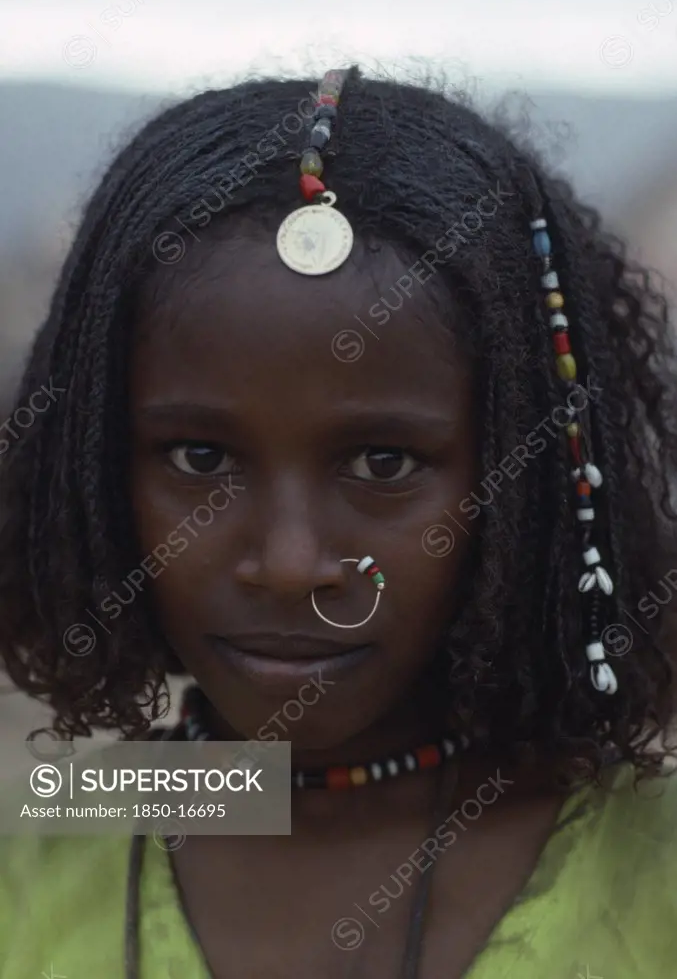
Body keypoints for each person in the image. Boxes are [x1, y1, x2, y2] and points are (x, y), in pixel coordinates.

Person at [0, 66, 675, 979]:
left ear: (526, 487)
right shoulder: (46, 844)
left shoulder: (651, 878)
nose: (288, 565)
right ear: (87, 474)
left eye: (383, 464)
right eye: (200, 459)